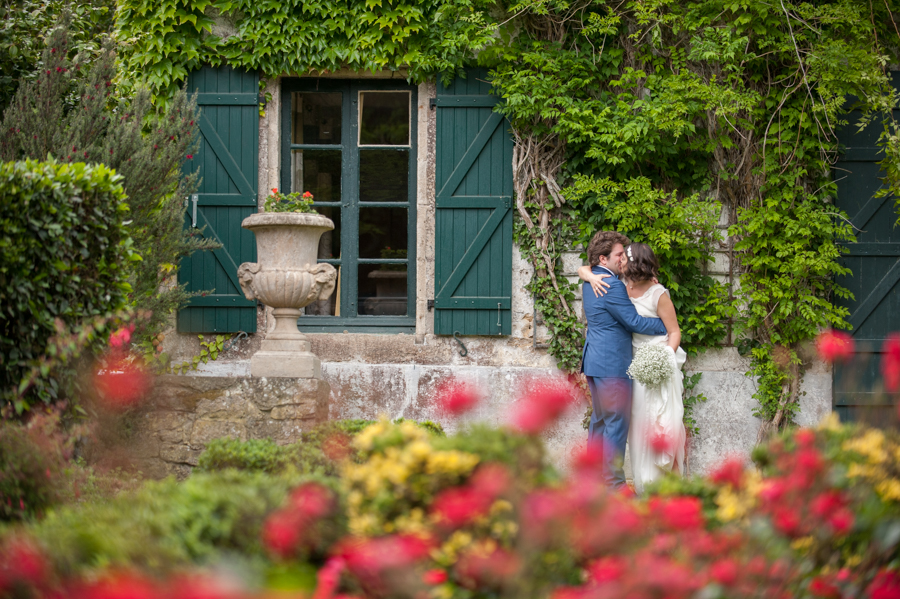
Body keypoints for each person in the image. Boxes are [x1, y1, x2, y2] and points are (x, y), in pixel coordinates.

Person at [579, 241, 686, 494]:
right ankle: (613, 488)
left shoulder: (594, 280)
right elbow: (634, 321)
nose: (621, 259)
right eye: (618, 255)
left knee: (611, 423)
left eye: (624, 257)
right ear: (604, 260)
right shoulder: (613, 285)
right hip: (615, 364)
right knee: (617, 424)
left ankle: (596, 482)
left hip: (612, 362)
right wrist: (663, 328)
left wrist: (667, 339)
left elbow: (673, 330)